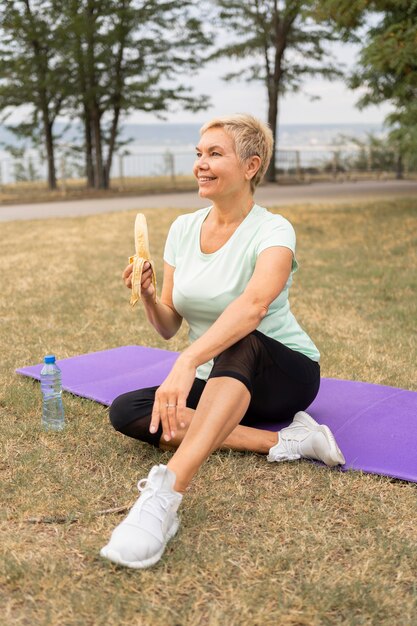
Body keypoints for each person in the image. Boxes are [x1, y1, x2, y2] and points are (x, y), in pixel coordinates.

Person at [100, 114, 345, 569]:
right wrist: (152, 296)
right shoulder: (182, 228)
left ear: (251, 166)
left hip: (281, 372)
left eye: (215, 154)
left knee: (241, 337)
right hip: (220, 380)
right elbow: (169, 325)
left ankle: (165, 497)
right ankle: (285, 443)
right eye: (199, 153)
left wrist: (187, 361)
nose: (201, 164)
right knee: (130, 410)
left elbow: (252, 307)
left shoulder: (274, 230)